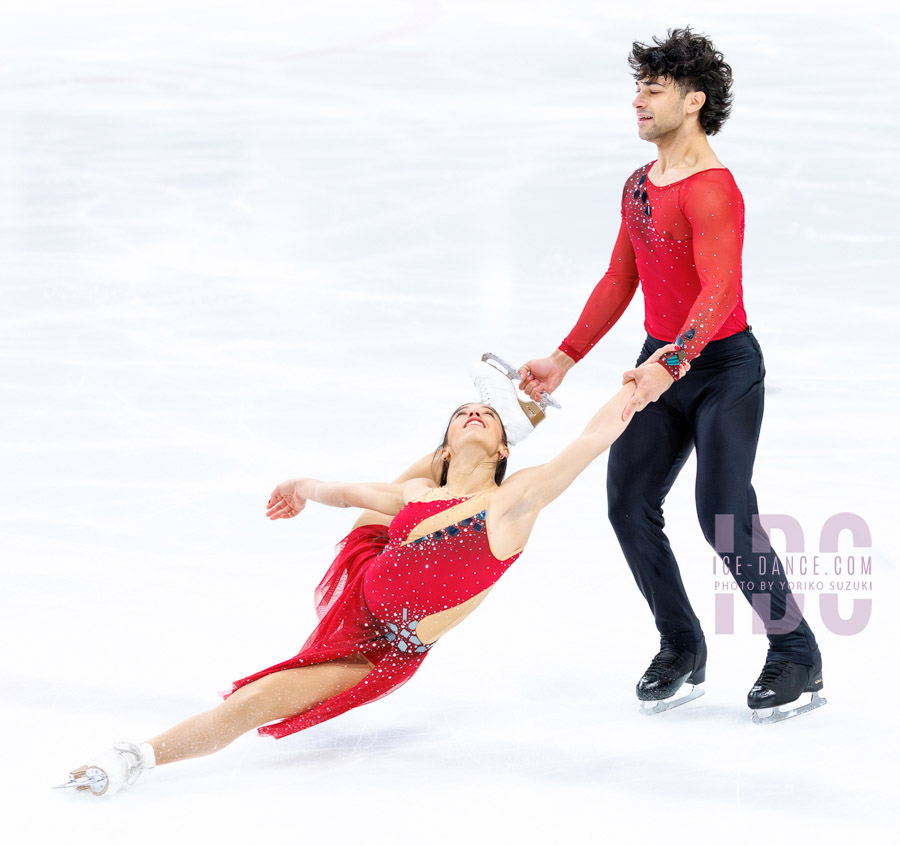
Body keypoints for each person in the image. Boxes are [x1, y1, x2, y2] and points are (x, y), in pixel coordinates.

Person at [57, 353, 684, 797]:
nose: (472, 415)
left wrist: (646, 381)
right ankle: (140, 753)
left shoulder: (516, 498)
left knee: (254, 701)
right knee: (384, 500)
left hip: (387, 646)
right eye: (462, 413)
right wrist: (304, 486)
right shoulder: (414, 488)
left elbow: (596, 437)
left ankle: (136, 758)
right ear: (442, 445)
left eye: (485, 416)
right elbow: (351, 490)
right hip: (370, 573)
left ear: (502, 449)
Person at [516, 28, 823, 719]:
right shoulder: (638, 185)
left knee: (721, 512)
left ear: (693, 101)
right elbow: (620, 277)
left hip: (721, 368)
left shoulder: (713, 190)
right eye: (637, 87)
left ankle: (796, 652)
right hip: (659, 362)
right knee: (627, 503)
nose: (637, 101)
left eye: (652, 89)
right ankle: (681, 645)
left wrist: (672, 363)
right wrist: (564, 358)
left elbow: (719, 291)